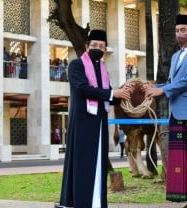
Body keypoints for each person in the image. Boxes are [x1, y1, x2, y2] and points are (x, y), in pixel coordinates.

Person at [57, 29, 133, 208]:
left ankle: (96, 203)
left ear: (105, 48)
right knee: (82, 164)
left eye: (101, 45)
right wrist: (113, 93)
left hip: (99, 124)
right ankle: (80, 202)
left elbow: (105, 96)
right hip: (83, 122)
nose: (98, 48)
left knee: (98, 163)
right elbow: (83, 88)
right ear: (86, 46)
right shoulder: (76, 65)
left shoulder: (102, 69)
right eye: (94, 45)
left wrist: (123, 95)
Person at [144, 14, 187, 208]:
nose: (179, 34)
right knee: (180, 159)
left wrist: (162, 90)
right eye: (176, 30)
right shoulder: (175, 56)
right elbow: (175, 83)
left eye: (183, 30)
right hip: (177, 112)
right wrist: (155, 86)